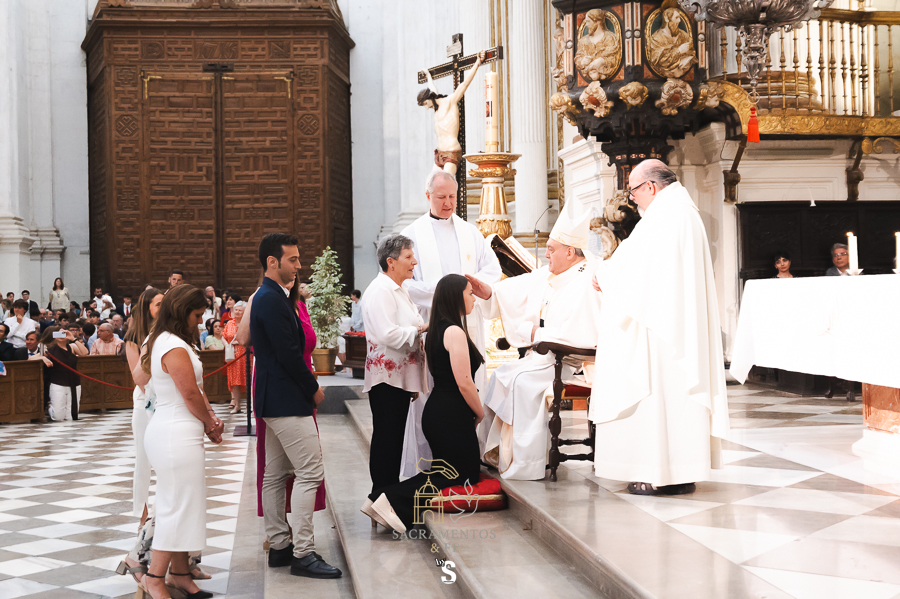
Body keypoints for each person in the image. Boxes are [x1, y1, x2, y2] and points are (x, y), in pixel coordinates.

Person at [589, 159, 729, 496]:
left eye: (634, 190)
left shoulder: (664, 216)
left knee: (656, 396)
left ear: (651, 187)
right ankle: (679, 471)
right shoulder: (685, 213)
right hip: (676, 328)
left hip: (659, 331)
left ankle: (655, 472)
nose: (632, 198)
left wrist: (602, 275)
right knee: (675, 400)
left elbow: (635, 271)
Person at [467, 196, 603, 480]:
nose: (546, 255)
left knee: (522, 383)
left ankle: (526, 462)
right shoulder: (555, 272)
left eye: (551, 249)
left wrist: (537, 334)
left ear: (569, 251)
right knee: (501, 375)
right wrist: (488, 292)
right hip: (546, 358)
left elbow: (586, 333)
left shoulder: (588, 280)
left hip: (572, 364)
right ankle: (492, 453)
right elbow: (516, 288)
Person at [399, 170, 502, 478]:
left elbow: (492, 270)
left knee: (470, 378)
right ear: (428, 196)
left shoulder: (470, 232)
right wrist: (445, 290)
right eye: (441, 197)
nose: (448, 203)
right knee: (432, 388)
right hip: (432, 323)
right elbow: (405, 283)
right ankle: (428, 462)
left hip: (468, 321)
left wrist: (473, 286)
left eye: (452, 197)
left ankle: (470, 451)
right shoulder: (411, 235)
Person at [363, 274, 485, 533]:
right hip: (450, 414)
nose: (473, 298)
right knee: (459, 475)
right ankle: (388, 499)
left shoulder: (438, 329)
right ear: (456, 297)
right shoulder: (454, 331)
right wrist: (480, 412)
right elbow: (464, 382)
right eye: (469, 293)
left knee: (446, 472)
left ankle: (381, 498)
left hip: (441, 412)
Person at [251, 232, 340, 579]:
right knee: (310, 472)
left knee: (275, 474)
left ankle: (279, 546)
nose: (299, 265)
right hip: (286, 398)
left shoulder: (273, 296)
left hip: (274, 397)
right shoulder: (270, 298)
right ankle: (303, 552)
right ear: (272, 262)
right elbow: (288, 353)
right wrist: (313, 388)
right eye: (293, 259)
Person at [137, 285, 221, 599]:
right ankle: (154, 578)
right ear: (182, 311)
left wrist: (210, 417)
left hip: (179, 430)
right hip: (174, 433)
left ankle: (181, 574)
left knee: (184, 504)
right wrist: (210, 424)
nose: (200, 321)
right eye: (197, 315)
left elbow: (196, 389)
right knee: (175, 507)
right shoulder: (171, 345)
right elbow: (188, 394)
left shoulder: (172, 340)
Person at [239, 273, 326, 546]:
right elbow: (243, 338)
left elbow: (303, 347)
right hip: (281, 385)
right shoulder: (263, 298)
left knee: (291, 465)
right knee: (288, 467)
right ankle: (293, 542)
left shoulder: (298, 303)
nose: (296, 269)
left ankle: (284, 540)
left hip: (301, 383)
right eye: (292, 261)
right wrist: (254, 301)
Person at [360, 235, 428, 497]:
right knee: (387, 440)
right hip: (386, 379)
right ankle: (381, 496)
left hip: (397, 378)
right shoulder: (381, 290)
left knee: (393, 439)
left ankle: (387, 496)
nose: (414, 262)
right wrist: (422, 328)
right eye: (408, 257)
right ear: (391, 261)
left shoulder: (399, 289)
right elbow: (387, 334)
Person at [418, 52, 485, 175]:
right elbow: (432, 88)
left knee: (446, 180)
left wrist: (477, 62)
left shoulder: (450, 101)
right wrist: (428, 75)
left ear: (429, 98)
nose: (426, 108)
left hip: (451, 151)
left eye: (425, 104)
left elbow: (465, 84)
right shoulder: (436, 108)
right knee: (430, 183)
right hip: (439, 153)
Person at [45, 326, 82, 421]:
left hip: (74, 382)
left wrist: (73, 338)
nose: (61, 336)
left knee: (70, 416)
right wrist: (42, 358)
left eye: (63, 333)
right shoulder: (50, 350)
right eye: (58, 333)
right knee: (58, 417)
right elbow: (31, 358)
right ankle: (49, 407)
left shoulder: (72, 347)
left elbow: (84, 352)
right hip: (58, 383)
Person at [223, 301, 246, 414]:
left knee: (248, 379)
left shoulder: (247, 323)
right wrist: (227, 345)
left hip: (245, 354)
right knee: (235, 381)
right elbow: (223, 336)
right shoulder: (229, 323)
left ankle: (252, 405)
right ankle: (237, 405)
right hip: (233, 355)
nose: (237, 312)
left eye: (240, 310)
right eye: (236, 310)